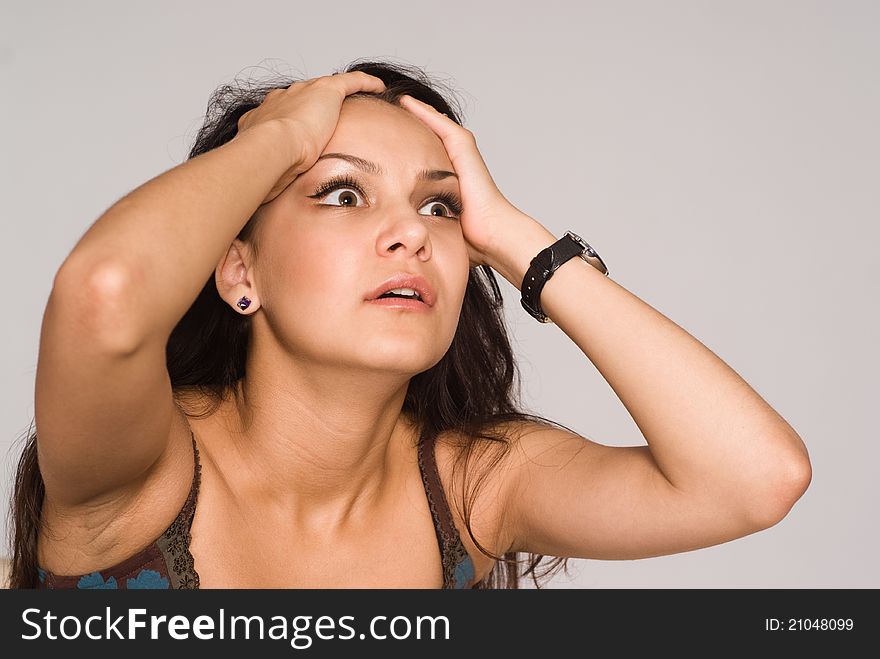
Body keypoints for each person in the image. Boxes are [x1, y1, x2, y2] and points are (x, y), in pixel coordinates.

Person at [8, 60, 811, 589]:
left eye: (440, 205)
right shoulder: (143, 468)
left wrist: (518, 243)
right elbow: (103, 293)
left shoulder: (470, 487)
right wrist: (280, 136)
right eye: (343, 194)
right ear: (240, 271)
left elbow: (754, 479)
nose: (414, 234)